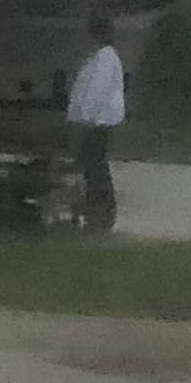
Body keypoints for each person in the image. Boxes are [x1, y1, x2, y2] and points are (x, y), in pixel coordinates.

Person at [65, 14, 126, 234]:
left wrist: (85, 118)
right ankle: (96, 208)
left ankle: (102, 211)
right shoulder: (99, 57)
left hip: (96, 123)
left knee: (95, 166)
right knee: (92, 166)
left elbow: (96, 90)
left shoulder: (105, 58)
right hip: (93, 122)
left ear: (96, 34)